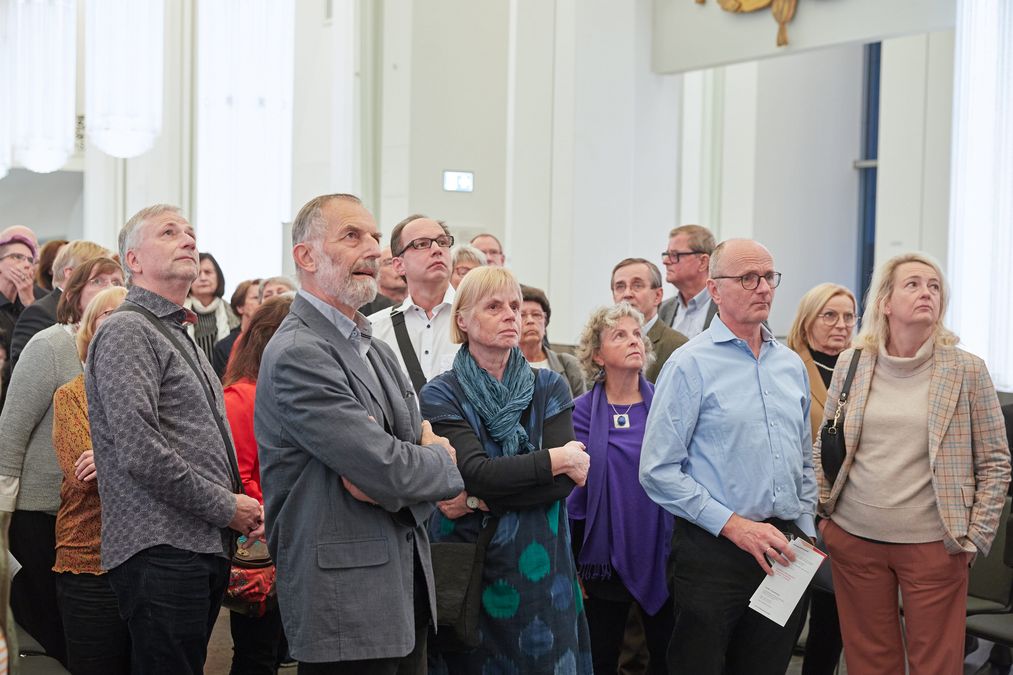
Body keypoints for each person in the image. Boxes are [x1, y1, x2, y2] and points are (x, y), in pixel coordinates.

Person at [256, 193, 463, 673]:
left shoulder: (373, 345)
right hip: (345, 603)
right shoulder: (299, 352)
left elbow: (389, 470)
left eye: (374, 236)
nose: (372, 249)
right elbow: (386, 467)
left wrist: (409, 469)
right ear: (306, 257)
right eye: (352, 236)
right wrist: (440, 461)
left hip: (402, 590)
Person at [85, 204, 263, 674]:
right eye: (169, 232)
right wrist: (229, 506)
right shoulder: (128, 328)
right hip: (160, 547)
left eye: (190, 232)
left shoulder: (175, 331)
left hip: (195, 543)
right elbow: (142, 452)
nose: (188, 240)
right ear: (134, 260)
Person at [815, 252, 1011, 675]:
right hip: (854, 538)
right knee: (869, 663)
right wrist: (825, 512)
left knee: (936, 665)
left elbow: (996, 462)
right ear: (885, 302)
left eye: (935, 286)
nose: (927, 292)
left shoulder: (967, 370)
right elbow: (824, 443)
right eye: (913, 284)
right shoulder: (853, 362)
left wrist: (974, 538)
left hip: (934, 545)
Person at [640, 238, 816, 675]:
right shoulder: (688, 365)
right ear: (715, 290)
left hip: (785, 549)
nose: (763, 288)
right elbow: (657, 471)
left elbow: (805, 460)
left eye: (769, 277)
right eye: (747, 278)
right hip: (714, 548)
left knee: (768, 665)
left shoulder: (790, 365)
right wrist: (734, 526)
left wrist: (806, 530)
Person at [421, 265, 593, 674]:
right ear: (462, 319)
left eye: (515, 306)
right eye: (494, 306)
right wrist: (556, 459)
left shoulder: (549, 385)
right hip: (472, 559)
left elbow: (562, 486)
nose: (511, 315)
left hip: (543, 563)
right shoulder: (441, 392)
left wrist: (478, 498)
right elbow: (478, 471)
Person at [0, 256, 125, 666]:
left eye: (117, 281)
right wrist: (3, 507)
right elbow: (12, 428)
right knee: (51, 628)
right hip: (42, 508)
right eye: (99, 282)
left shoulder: (129, 351)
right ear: (75, 296)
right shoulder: (51, 345)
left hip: (98, 514)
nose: (110, 288)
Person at [569, 303, 673, 675]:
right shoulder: (579, 412)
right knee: (600, 659)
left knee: (666, 657)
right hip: (601, 558)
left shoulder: (666, 404)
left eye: (636, 334)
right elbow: (572, 493)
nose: (634, 341)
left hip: (662, 552)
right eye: (620, 335)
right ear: (597, 354)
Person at [52, 284, 130, 675]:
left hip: (147, 559)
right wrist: (147, 459)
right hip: (88, 557)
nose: (120, 320)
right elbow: (85, 478)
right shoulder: (72, 396)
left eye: (128, 312)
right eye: (107, 313)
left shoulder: (159, 393)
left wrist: (110, 457)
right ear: (88, 331)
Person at [785, 282, 858, 675]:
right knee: (785, 617)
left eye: (849, 316)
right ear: (808, 320)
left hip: (848, 514)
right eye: (829, 315)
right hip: (799, 513)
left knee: (832, 623)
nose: (841, 325)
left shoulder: (863, 369)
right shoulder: (788, 365)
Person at [222, 294, 293, 675]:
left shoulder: (287, 391)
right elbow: (240, 477)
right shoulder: (242, 396)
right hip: (261, 542)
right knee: (257, 654)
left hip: (289, 536)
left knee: (274, 651)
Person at [369, 214, 458, 391]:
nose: (436, 249)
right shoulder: (374, 330)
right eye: (422, 244)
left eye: (442, 242)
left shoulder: (479, 319)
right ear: (399, 265)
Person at [10, 240, 110, 369]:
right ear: (70, 273)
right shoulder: (39, 313)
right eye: (98, 279)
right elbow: (26, 374)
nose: (108, 287)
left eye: (114, 281)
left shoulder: (96, 314)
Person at [611, 257, 688, 382]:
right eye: (620, 286)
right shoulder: (603, 344)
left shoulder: (678, 347)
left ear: (658, 296)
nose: (627, 293)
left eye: (637, 285)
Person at [518, 284, 586, 398]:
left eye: (536, 315)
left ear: (545, 323)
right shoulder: (501, 368)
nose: (530, 321)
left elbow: (582, 412)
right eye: (522, 315)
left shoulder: (569, 365)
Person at [658, 224, 718, 337]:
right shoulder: (663, 310)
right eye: (667, 254)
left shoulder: (728, 308)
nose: (665, 261)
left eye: (675, 255)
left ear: (703, 262)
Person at [186, 251, 239, 361]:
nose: (203, 278)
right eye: (198, 273)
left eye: (208, 272)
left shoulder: (234, 313)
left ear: (218, 277)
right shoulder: (178, 313)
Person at [212, 278, 262, 378]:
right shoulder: (225, 346)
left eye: (264, 296)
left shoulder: (276, 339)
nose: (262, 301)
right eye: (256, 297)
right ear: (240, 307)